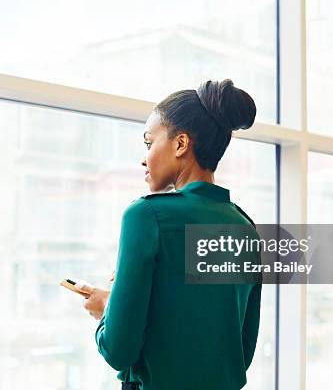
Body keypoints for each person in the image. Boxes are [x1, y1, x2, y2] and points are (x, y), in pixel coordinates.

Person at [76, 79, 262, 390]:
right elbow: (240, 352)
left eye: (149, 143)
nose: (144, 157)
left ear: (180, 144)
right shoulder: (245, 228)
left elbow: (119, 350)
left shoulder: (146, 215)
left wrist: (107, 309)